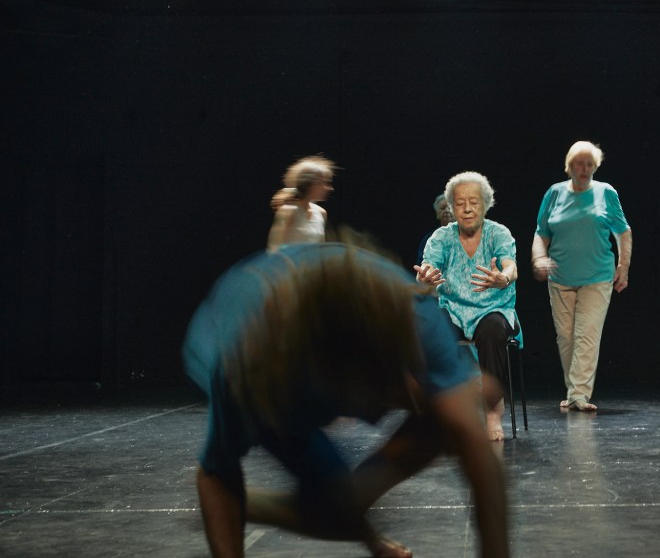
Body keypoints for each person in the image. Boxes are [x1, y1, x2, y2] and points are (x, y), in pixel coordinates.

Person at [183, 242, 508, 558]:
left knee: (454, 413)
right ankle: (333, 509)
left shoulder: (415, 316)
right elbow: (216, 474)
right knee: (335, 507)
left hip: (329, 346)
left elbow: (477, 452)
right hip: (243, 349)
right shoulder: (248, 373)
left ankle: (336, 507)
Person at [415, 172, 521, 441]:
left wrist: (503, 278)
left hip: (493, 309)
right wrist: (425, 278)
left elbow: (510, 265)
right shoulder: (441, 237)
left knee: (492, 330)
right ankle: (442, 407)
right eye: (460, 203)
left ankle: (492, 411)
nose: (467, 209)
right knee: (429, 329)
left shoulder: (498, 233)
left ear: (485, 204)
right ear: (451, 207)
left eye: (474, 202)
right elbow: (428, 268)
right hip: (454, 310)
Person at [531, 141, 632, 413]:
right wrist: (538, 259)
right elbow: (541, 233)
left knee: (586, 336)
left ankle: (578, 395)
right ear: (569, 166)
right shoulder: (554, 193)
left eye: (589, 164)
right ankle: (574, 390)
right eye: (579, 163)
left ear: (595, 167)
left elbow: (623, 231)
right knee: (566, 338)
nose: (584, 169)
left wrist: (623, 266)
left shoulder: (605, 193)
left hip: (597, 276)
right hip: (560, 277)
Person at [267, 155, 336, 252]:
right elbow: (275, 249)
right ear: (310, 184)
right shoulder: (289, 210)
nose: (330, 188)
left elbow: (320, 251)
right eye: (325, 183)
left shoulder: (321, 213)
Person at [415, 193, 454, 265]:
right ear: (437, 214)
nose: (446, 210)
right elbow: (421, 263)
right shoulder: (429, 239)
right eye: (442, 208)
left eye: (450, 208)